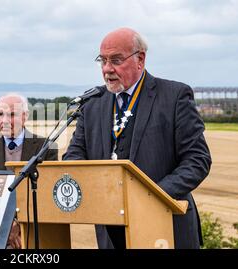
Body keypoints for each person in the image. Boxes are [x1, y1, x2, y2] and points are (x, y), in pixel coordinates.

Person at [63, 28, 211, 249]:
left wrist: (151, 196)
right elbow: (74, 156)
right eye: (102, 60)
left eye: (116, 60)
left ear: (140, 59)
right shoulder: (92, 102)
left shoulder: (174, 96)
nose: (107, 69)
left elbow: (197, 160)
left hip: (167, 227)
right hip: (110, 232)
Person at [0, 93, 58, 249]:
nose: (4, 121)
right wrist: (6, 225)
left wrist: (20, 224)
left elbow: (47, 194)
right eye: (0, 114)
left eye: (12, 115)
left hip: (34, 232)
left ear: (25, 116)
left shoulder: (46, 148)